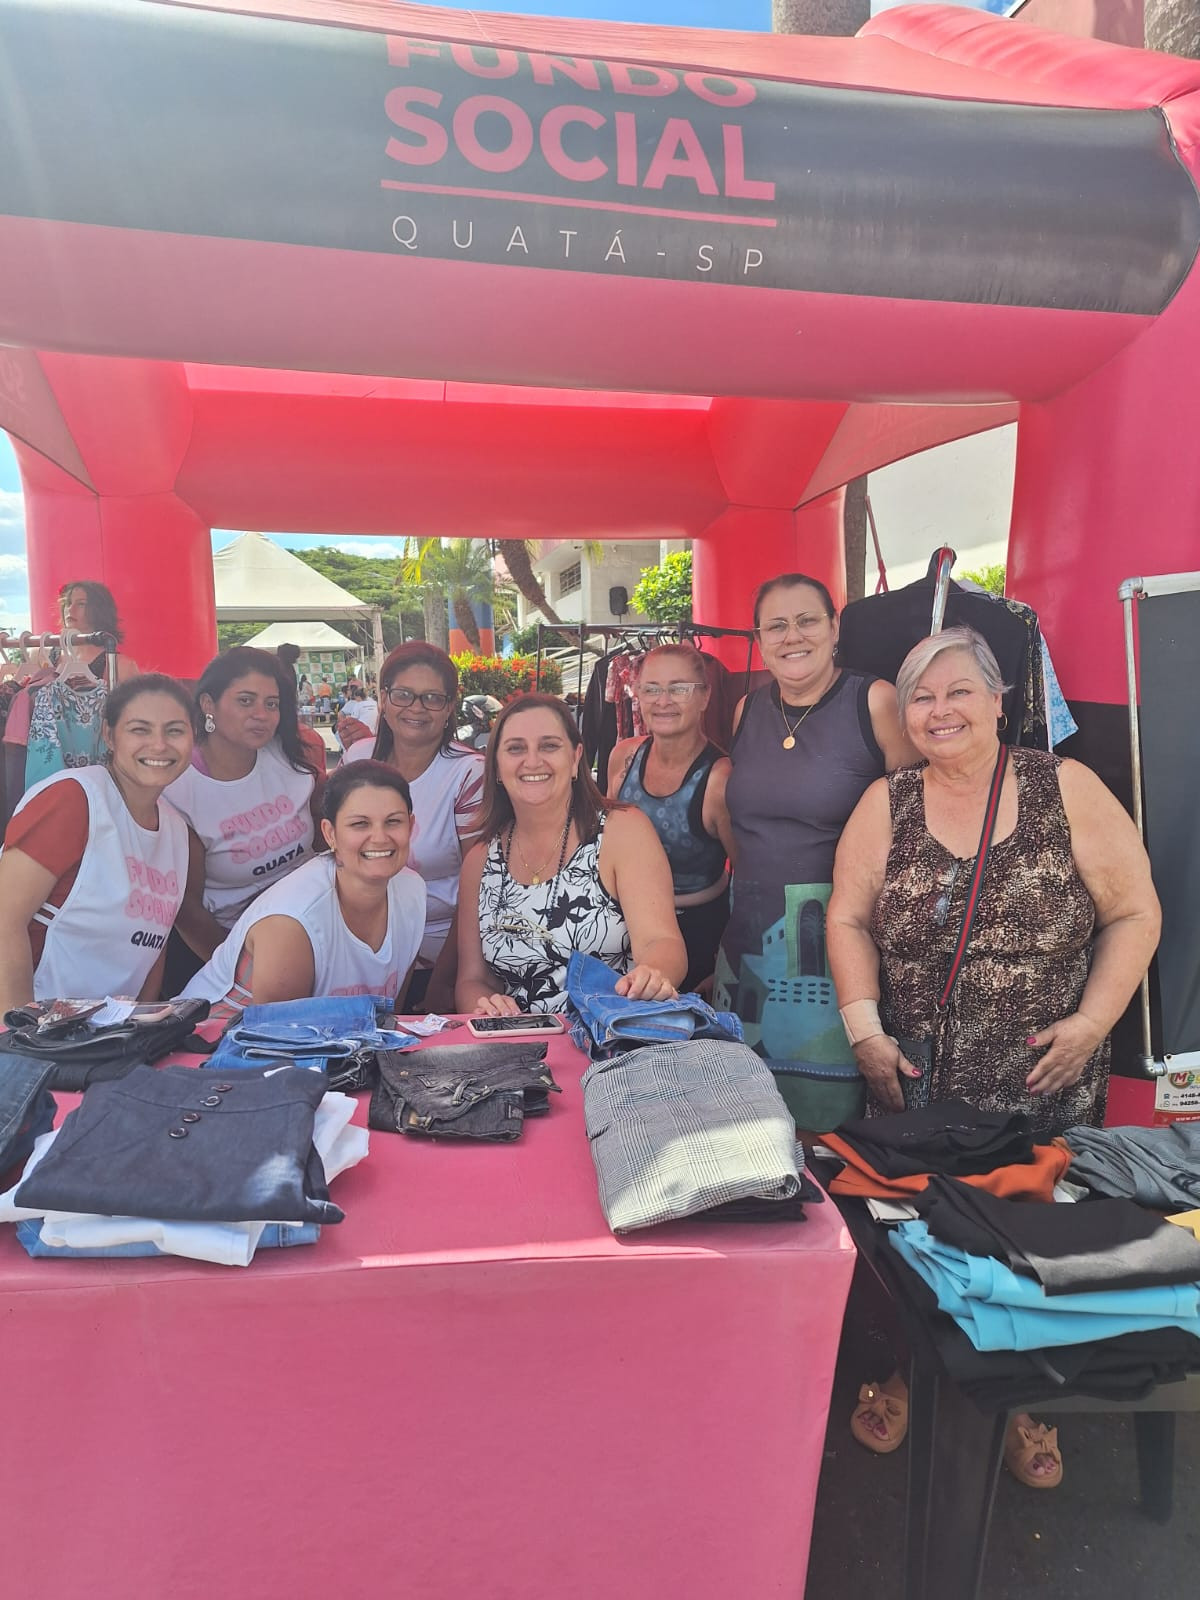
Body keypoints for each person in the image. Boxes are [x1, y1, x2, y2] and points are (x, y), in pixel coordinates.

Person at [827, 625, 1161, 1485]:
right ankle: (908, 1371)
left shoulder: (1067, 789)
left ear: (1000, 699)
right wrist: (864, 1028)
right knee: (912, 1248)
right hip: (917, 1089)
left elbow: (1135, 913)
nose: (940, 712)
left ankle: (1026, 1399)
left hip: (1041, 1087)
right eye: (922, 698)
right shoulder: (887, 801)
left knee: (1033, 1248)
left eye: (958, 692)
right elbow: (847, 919)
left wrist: (1092, 1022)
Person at [713, 572, 915, 1063]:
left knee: (830, 1113)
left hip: (838, 944)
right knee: (748, 1104)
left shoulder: (876, 701)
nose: (792, 636)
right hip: (748, 943)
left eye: (807, 621)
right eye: (775, 626)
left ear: (834, 628)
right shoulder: (747, 710)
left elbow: (914, 830)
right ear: (759, 639)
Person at [456, 693, 687, 1015]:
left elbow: (660, 942)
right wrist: (484, 1005)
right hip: (518, 1048)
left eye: (549, 746)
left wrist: (653, 974)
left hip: (614, 1038)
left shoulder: (622, 831)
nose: (533, 760)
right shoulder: (479, 859)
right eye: (516, 748)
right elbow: (472, 979)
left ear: (576, 757)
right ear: (495, 765)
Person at [0, 673, 194, 1010]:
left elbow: (151, 946)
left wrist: (137, 1030)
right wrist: (16, 1036)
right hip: (35, 1038)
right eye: (140, 729)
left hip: (106, 1039)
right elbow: (5, 920)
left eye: (174, 730)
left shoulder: (177, 830)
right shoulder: (73, 798)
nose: (160, 745)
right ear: (109, 735)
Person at [182, 761, 426, 1016]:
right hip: (212, 1043)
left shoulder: (413, 892)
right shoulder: (292, 921)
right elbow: (279, 1042)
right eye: (360, 824)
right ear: (330, 834)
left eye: (393, 822)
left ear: (410, 826)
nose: (379, 837)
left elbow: (388, 1017)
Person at [165, 648, 324, 988]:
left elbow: (329, 844)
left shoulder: (292, 758)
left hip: (318, 927)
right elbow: (187, 910)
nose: (261, 715)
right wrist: (239, 974)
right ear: (209, 704)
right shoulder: (178, 789)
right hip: (232, 950)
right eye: (245, 701)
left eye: (271, 704)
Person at [343, 642, 484, 1007]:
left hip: (436, 955)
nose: (416, 708)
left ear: (450, 706)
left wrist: (443, 983)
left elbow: (477, 889)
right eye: (404, 694)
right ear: (384, 698)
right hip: (357, 952)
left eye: (432, 698)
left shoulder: (467, 772)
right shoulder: (357, 757)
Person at [606, 644, 734, 991]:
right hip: (622, 931)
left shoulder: (720, 779)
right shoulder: (624, 758)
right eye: (651, 689)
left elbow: (747, 879)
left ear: (704, 697)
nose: (663, 701)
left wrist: (728, 962)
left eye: (679, 688)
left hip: (698, 938)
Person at [3, 579, 142, 812]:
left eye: (80, 603)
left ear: (98, 608)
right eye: (67, 603)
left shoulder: (119, 665)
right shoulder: (43, 654)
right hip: (36, 758)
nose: (70, 609)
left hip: (95, 763)